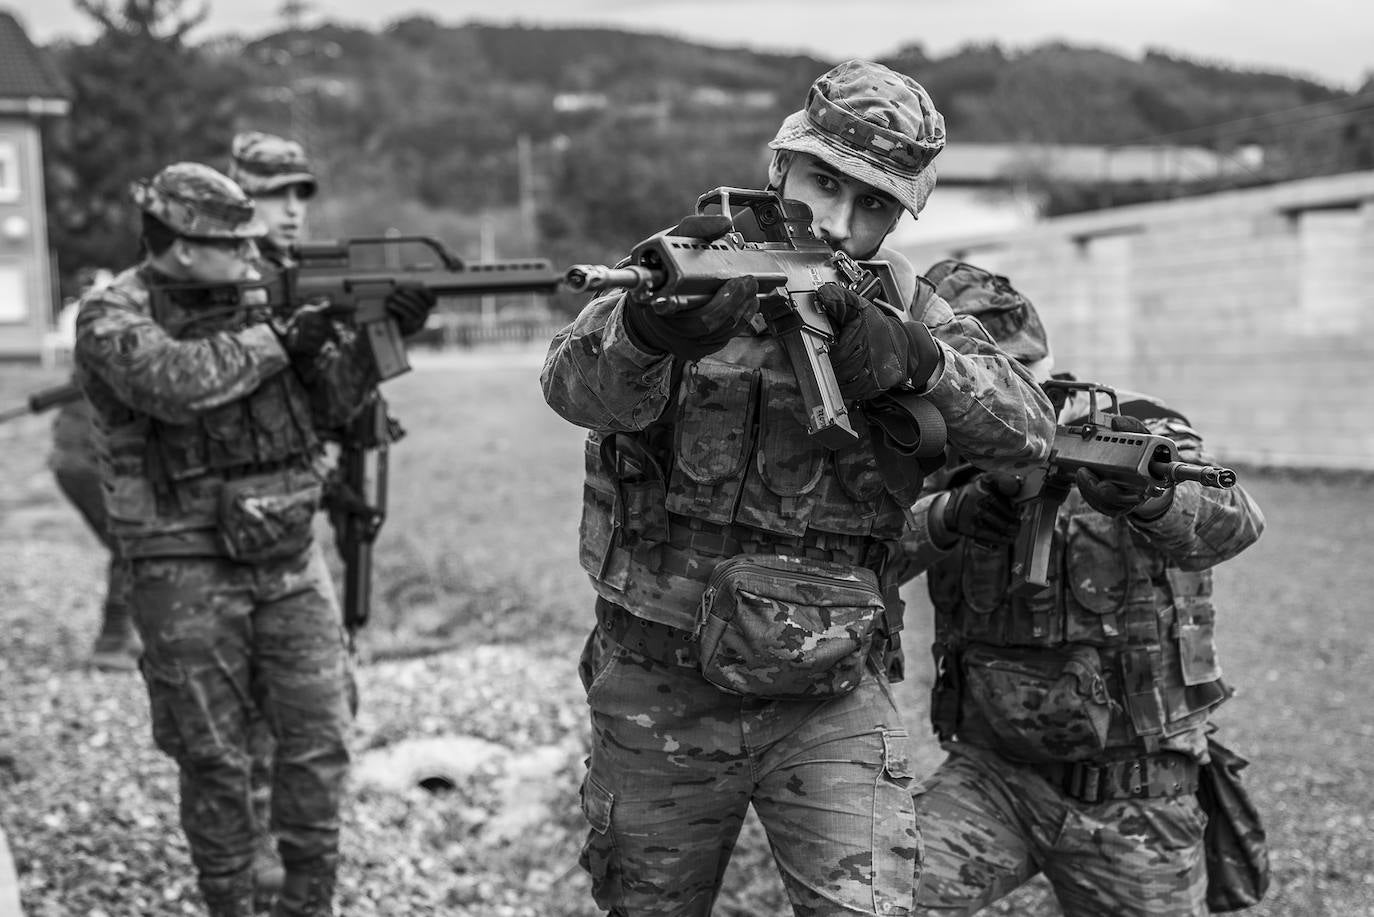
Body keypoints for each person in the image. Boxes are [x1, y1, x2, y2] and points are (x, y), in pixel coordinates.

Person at [541, 60, 1057, 916]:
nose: (845, 225)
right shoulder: (688, 268)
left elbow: (1030, 433)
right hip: (661, 687)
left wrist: (919, 362)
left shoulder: (902, 306)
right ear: (781, 163)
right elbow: (570, 390)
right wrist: (646, 330)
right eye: (826, 184)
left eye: (877, 206)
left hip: (833, 694)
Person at [72, 162, 433, 917]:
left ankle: (309, 902)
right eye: (233, 244)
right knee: (213, 756)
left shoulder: (262, 298)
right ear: (180, 247)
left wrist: (378, 339)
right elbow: (172, 380)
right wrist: (281, 336)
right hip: (182, 562)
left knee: (321, 737)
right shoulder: (113, 312)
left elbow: (329, 405)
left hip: (289, 554)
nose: (251, 252)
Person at [896, 261, 1267, 916]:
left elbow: (1235, 519)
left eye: (1019, 375)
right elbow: (868, 554)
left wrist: (1148, 497)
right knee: (875, 898)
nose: (1005, 400)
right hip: (993, 781)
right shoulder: (930, 451)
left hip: (1135, 792)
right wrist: (950, 514)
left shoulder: (1135, 427)